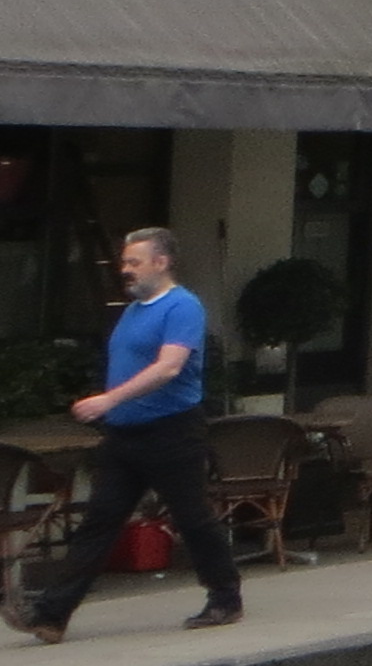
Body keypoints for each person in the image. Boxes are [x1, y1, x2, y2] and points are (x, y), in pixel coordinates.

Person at [8, 227, 242, 643]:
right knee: (99, 521)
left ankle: (225, 597)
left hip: (171, 430)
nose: (125, 269)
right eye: (124, 262)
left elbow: (169, 367)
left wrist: (109, 399)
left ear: (161, 262)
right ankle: (51, 614)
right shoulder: (133, 311)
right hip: (124, 435)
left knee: (192, 517)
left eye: (134, 262)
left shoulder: (182, 306)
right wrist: (112, 409)